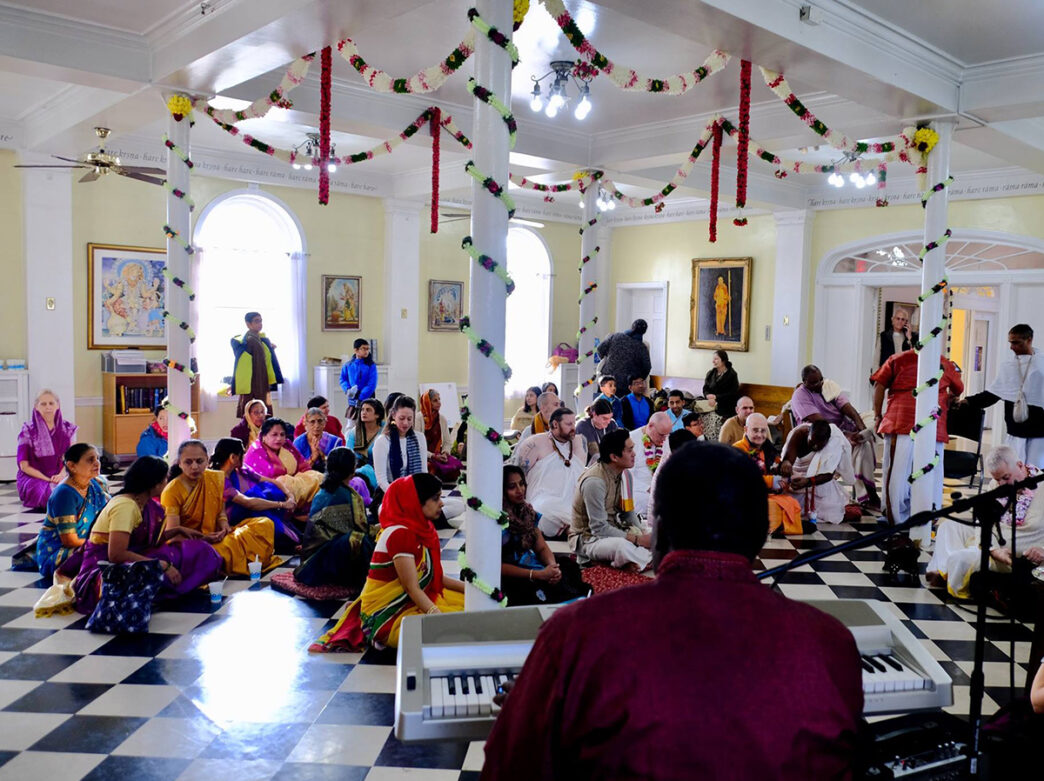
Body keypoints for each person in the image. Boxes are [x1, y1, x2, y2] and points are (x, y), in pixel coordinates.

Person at [483, 443, 864, 779]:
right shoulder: (830, 641)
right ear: (762, 535)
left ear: (659, 530)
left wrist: (537, 712)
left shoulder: (577, 634)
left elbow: (509, 768)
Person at [310, 474, 465, 652]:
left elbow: (434, 577)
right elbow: (411, 588)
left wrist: (468, 589)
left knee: (472, 608)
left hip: (414, 600)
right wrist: (436, 617)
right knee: (451, 631)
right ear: (414, 501)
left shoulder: (423, 528)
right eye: (435, 498)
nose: (442, 503)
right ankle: (378, 634)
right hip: (389, 613)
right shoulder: (400, 534)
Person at [73, 455, 222, 616]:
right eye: (165, 479)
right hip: (106, 571)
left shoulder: (145, 502)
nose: (167, 483)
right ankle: (160, 592)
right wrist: (162, 565)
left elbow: (147, 539)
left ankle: (167, 588)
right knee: (160, 566)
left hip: (132, 557)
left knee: (199, 550)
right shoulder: (125, 506)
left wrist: (178, 530)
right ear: (154, 484)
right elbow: (116, 555)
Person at [927, 446, 1043, 598]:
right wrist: (992, 549)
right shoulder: (997, 486)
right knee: (948, 527)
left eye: (1006, 477)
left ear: (1020, 465)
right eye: (997, 479)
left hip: (1015, 554)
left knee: (959, 559)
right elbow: (982, 520)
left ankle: (950, 572)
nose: (1001, 484)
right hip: (991, 543)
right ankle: (951, 571)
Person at [872, 349, 963, 531]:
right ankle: (927, 516)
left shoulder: (897, 359)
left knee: (897, 471)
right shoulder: (943, 361)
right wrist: (946, 397)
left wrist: (877, 415)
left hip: (901, 419)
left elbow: (879, 385)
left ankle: (895, 517)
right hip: (931, 422)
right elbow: (958, 388)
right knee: (931, 471)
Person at [162, 440, 276, 576]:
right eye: (188, 462)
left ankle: (223, 560)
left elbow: (220, 513)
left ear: (207, 460)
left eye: (199, 461)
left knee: (264, 523)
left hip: (217, 537)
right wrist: (203, 538)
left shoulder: (215, 478)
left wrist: (224, 527)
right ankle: (223, 560)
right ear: (179, 463)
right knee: (208, 551)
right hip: (192, 544)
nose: (194, 467)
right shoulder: (172, 491)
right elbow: (173, 535)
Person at [791, 364, 879, 508]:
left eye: (820, 380)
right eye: (813, 382)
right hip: (820, 434)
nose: (819, 384)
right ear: (804, 381)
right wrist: (845, 435)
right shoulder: (800, 395)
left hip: (843, 427)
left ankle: (861, 436)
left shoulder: (828, 386)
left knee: (874, 420)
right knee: (864, 446)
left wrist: (860, 425)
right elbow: (820, 423)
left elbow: (847, 407)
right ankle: (870, 493)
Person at [501, 465, 590, 606]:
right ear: (502, 491)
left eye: (522, 484)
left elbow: (541, 547)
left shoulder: (526, 513)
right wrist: (536, 574)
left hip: (535, 567)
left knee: (568, 568)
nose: (520, 490)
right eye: (512, 486)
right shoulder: (497, 521)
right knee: (530, 593)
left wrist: (553, 568)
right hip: (514, 575)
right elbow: (497, 566)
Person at [568, 428, 652, 572]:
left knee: (658, 534)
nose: (634, 454)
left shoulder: (625, 475)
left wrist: (643, 533)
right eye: (630, 450)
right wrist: (638, 540)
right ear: (614, 457)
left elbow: (628, 513)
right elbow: (599, 528)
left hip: (615, 528)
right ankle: (643, 559)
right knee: (621, 546)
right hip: (590, 539)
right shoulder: (594, 482)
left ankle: (635, 561)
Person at [294, 448, 378, 589]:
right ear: (352, 469)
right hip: (321, 561)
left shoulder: (324, 490)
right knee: (359, 540)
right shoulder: (348, 495)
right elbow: (361, 529)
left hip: (310, 559)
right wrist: (380, 527)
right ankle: (368, 578)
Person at [963, 324, 1044, 467]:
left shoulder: (1041, 364)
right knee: (1013, 469)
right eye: (1010, 342)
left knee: (1035, 471)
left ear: (1029, 340)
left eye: (1016, 342)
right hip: (1016, 429)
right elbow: (993, 394)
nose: (1012, 347)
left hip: (1039, 428)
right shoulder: (1009, 366)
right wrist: (968, 401)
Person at [510, 407, 588, 538]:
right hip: (543, 499)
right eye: (569, 424)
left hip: (573, 499)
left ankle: (574, 533)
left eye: (574, 423)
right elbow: (518, 474)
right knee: (543, 511)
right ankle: (573, 533)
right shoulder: (535, 443)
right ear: (555, 424)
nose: (574, 427)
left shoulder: (579, 442)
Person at [36, 444, 110, 580]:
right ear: (71, 466)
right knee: (106, 554)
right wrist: (102, 542)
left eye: (97, 458)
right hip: (59, 552)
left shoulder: (96, 483)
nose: (97, 463)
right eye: (90, 460)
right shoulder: (65, 494)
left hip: (92, 542)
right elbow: (70, 540)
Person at [210, 437, 301, 545]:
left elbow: (271, 481)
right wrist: (282, 504)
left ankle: (294, 538)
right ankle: (292, 541)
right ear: (233, 457)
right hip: (236, 517)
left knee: (267, 490)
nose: (244, 457)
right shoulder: (221, 480)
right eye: (242, 454)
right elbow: (248, 503)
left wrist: (289, 495)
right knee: (257, 502)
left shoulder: (241, 470)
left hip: (254, 509)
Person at [733, 413, 804, 535]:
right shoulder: (738, 449)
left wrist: (790, 475)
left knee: (791, 502)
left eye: (763, 431)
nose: (760, 435)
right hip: (743, 496)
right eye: (755, 430)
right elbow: (744, 479)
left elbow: (778, 465)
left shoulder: (767, 447)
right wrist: (773, 481)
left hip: (765, 493)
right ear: (746, 429)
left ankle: (782, 526)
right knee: (770, 506)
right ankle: (777, 526)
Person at [780, 420, 856, 524]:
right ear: (808, 433)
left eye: (820, 445)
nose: (815, 446)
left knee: (832, 511)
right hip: (795, 479)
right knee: (785, 504)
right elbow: (788, 459)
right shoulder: (800, 433)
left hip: (818, 482)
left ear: (827, 441)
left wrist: (808, 481)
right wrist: (787, 464)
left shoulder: (834, 442)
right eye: (812, 441)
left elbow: (829, 474)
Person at [243, 418, 323, 511]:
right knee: (284, 482)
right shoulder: (256, 452)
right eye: (274, 435)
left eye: (282, 435)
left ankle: (311, 509)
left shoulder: (287, 445)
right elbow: (262, 480)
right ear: (264, 436)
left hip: (295, 481)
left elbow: (303, 465)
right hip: (271, 487)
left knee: (319, 477)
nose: (279, 438)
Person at [17, 389, 78, 509]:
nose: (48, 407)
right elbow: (24, 466)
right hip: (35, 477)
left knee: (89, 484)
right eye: (43, 404)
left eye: (51, 403)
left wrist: (61, 475)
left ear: (58, 405)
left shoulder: (68, 429)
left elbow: (73, 459)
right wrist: (48, 479)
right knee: (47, 492)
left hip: (63, 474)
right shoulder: (27, 431)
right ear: (36, 407)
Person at [231, 311, 283, 417]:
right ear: (248, 324)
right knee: (255, 414)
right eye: (256, 321)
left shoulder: (259, 338)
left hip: (260, 380)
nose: (260, 324)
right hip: (255, 382)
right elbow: (257, 365)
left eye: (261, 321)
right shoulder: (251, 340)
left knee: (257, 415)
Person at [372, 396, 428, 494]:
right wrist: (399, 496)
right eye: (401, 418)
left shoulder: (420, 438)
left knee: (456, 506)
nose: (406, 423)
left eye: (409, 419)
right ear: (393, 415)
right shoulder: (382, 441)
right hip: (391, 492)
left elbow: (423, 472)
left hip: (415, 491)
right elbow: (381, 480)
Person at [627, 411, 673, 517]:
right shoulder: (631, 439)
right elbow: (626, 475)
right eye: (661, 435)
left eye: (667, 435)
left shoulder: (665, 439)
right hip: (637, 490)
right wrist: (648, 488)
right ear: (651, 426)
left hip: (658, 487)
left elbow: (667, 466)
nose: (664, 439)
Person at [420, 389, 463, 484]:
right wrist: (432, 456)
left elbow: (447, 442)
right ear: (427, 402)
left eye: (439, 399)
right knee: (430, 469)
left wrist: (445, 453)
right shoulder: (418, 419)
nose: (439, 403)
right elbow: (417, 445)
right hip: (424, 456)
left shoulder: (441, 419)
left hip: (438, 455)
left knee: (454, 471)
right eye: (435, 400)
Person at [595, 319, 652, 391]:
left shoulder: (615, 336)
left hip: (606, 380)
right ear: (644, 331)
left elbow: (600, 349)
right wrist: (638, 378)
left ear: (632, 327)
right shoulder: (642, 347)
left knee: (602, 402)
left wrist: (606, 359)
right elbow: (647, 367)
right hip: (626, 385)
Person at [346, 397, 383, 494]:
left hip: (379, 471)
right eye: (362, 410)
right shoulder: (354, 432)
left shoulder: (385, 432)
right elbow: (349, 455)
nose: (364, 412)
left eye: (368, 410)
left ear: (377, 415)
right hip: (357, 471)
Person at [293, 406, 345, 473]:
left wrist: (323, 456)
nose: (317, 425)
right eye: (312, 422)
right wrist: (313, 458)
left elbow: (339, 468)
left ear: (325, 423)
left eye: (320, 421)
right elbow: (297, 470)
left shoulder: (335, 442)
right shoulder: (298, 443)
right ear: (305, 423)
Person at [340, 338, 377, 425]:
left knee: (367, 424)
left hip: (367, 398)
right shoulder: (348, 365)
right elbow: (343, 379)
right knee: (351, 425)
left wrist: (361, 396)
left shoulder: (371, 365)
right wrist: (348, 390)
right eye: (363, 348)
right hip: (352, 399)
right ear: (356, 350)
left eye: (368, 349)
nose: (366, 351)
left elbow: (371, 383)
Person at [873, 306, 917, 376]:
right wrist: (875, 377)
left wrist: (909, 338)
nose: (900, 321)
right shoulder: (884, 336)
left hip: (903, 376)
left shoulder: (911, 337)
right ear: (892, 319)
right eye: (898, 318)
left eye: (903, 319)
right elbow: (876, 359)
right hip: (886, 375)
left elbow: (914, 356)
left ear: (906, 322)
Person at [703, 349, 740, 421]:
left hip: (725, 406)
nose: (713, 361)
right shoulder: (710, 373)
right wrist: (708, 396)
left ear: (723, 360)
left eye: (716, 359)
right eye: (713, 359)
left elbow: (732, 393)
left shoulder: (732, 374)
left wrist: (716, 397)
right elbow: (705, 388)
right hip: (710, 404)